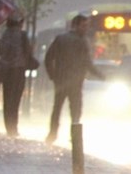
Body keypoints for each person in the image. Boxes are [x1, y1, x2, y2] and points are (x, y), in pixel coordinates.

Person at [44, 14, 104, 144]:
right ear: (75, 26)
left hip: (61, 80)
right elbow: (87, 63)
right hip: (76, 81)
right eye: (84, 26)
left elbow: (49, 58)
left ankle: (52, 134)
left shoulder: (60, 39)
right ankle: (74, 137)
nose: (86, 29)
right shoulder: (82, 41)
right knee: (75, 110)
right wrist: (101, 76)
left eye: (87, 26)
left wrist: (53, 76)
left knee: (57, 108)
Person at [0, 12, 31, 137]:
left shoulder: (5, 35)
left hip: (6, 70)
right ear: (20, 23)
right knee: (15, 100)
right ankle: (13, 127)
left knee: (7, 99)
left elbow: (1, 51)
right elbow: (28, 52)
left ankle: (8, 126)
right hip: (18, 70)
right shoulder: (22, 35)